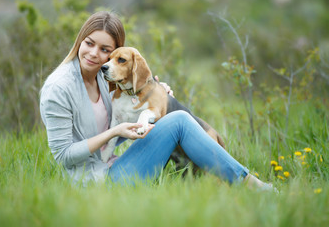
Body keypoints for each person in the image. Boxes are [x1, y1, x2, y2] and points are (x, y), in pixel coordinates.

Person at [40, 11, 276, 191]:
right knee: (181, 120)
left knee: (176, 118)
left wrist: (156, 95)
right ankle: (252, 185)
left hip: (115, 164)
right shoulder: (59, 88)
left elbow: (125, 117)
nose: (94, 54)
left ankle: (229, 182)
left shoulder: (103, 76)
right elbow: (63, 155)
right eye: (89, 43)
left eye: (105, 49)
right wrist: (114, 133)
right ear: (79, 40)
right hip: (94, 183)